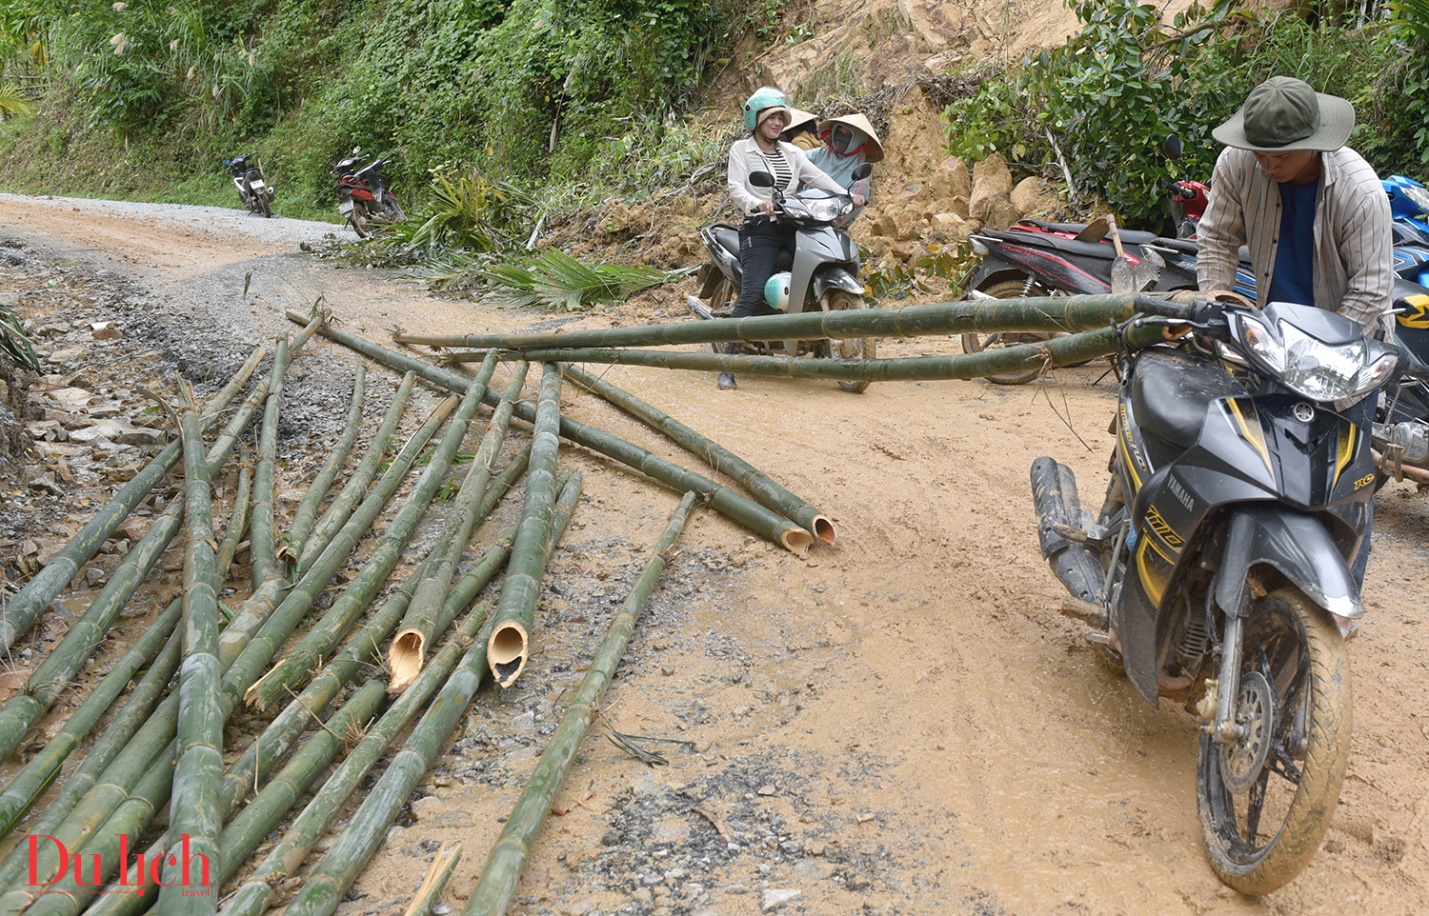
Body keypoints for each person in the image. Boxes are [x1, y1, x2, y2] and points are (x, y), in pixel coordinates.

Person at [1196, 75, 1394, 593]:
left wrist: (1317, 366)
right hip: (1272, 341)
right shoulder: (1238, 163)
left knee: (1342, 482)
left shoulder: (1359, 192)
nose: (1267, 164)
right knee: (1260, 464)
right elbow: (1216, 238)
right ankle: (1257, 587)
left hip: (1351, 351)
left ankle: (1337, 601)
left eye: (1280, 155)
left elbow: (1371, 292)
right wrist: (1216, 302)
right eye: (1259, 152)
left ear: (1315, 142)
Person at [722, 86, 857, 390]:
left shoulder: (792, 152)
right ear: (756, 120)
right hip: (760, 228)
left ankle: (819, 345)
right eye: (771, 117)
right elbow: (736, 187)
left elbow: (817, 177)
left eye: (781, 118)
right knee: (752, 294)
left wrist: (846, 194)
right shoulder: (741, 150)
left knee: (816, 270)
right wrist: (758, 203)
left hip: (794, 225)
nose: (777, 123)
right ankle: (726, 363)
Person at [806, 112, 883, 226]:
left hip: (822, 227)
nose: (841, 137)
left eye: (847, 134)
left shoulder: (860, 181)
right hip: (796, 211)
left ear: (858, 140)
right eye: (839, 132)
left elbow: (841, 218)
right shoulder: (821, 154)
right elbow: (797, 161)